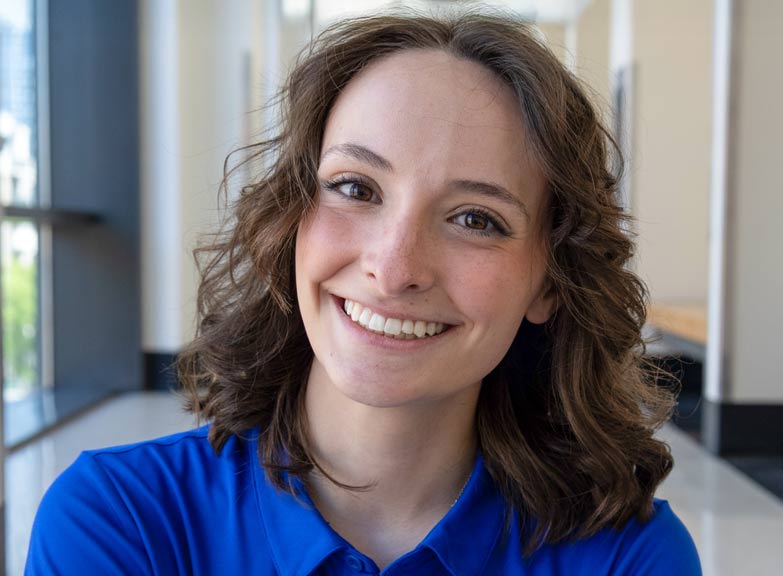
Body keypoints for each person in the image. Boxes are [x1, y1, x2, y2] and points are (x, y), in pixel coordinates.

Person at [27, 12, 701, 575]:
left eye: (476, 219)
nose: (394, 266)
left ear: (549, 282)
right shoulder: (119, 521)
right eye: (356, 188)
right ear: (291, 216)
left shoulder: (629, 557)